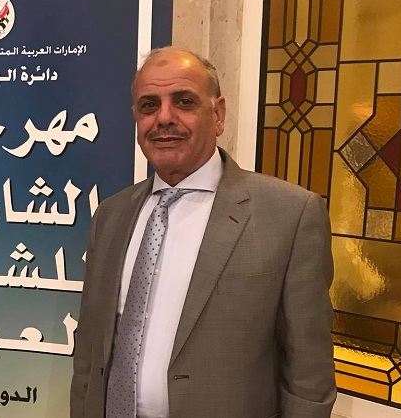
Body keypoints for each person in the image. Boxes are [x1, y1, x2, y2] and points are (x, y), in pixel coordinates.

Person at [70, 47, 336, 418]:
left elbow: (309, 375)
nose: (164, 118)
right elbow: (90, 352)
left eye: (184, 101)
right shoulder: (111, 216)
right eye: (149, 105)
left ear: (219, 114)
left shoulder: (290, 215)